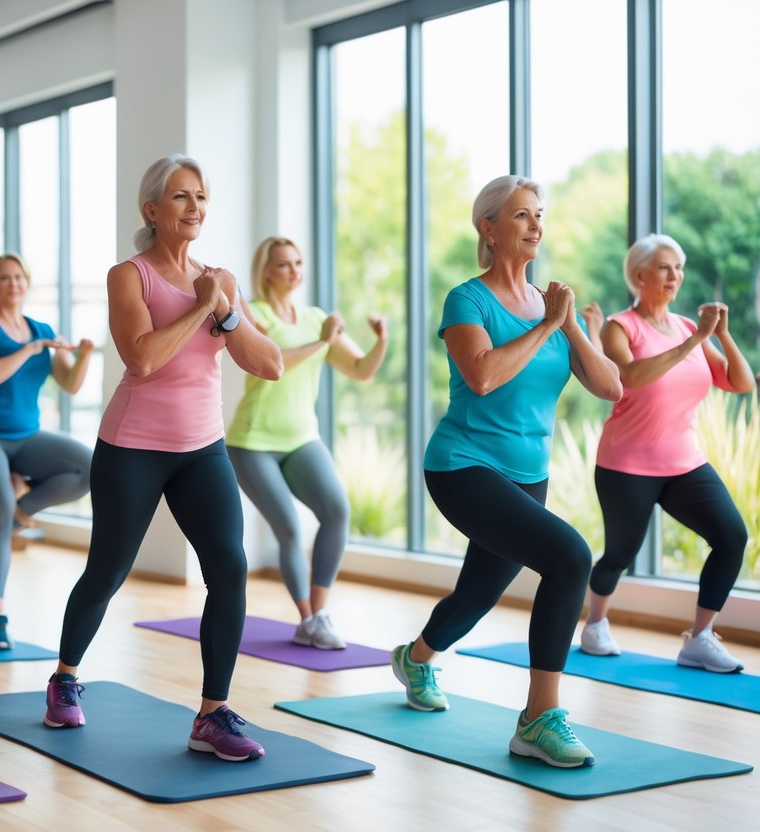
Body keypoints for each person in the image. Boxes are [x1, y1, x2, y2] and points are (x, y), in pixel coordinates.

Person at [43, 155, 283, 763]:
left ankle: (211, 713)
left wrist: (225, 309)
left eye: (201, 196)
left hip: (202, 449)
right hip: (133, 448)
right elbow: (142, 359)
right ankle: (66, 677)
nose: (195, 207)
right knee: (108, 571)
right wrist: (203, 309)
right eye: (181, 197)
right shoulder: (129, 276)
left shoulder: (221, 278)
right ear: (152, 210)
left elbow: (269, 364)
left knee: (228, 568)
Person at [391, 175, 622, 769]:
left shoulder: (553, 308)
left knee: (478, 593)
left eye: (539, 214)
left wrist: (567, 324)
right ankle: (537, 719)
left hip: (527, 475)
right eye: (521, 215)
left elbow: (611, 386)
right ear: (488, 228)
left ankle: (415, 659)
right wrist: (546, 326)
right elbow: (484, 376)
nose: (535, 225)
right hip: (463, 467)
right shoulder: (466, 301)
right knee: (571, 557)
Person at [580, 234, 754, 670]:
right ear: (639, 275)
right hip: (626, 464)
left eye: (679, 267)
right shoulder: (620, 327)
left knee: (731, 537)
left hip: (684, 463)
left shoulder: (686, 328)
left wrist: (722, 335)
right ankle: (595, 624)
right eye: (664, 267)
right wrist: (695, 343)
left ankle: (699, 638)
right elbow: (631, 377)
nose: (675, 275)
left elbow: (740, 382)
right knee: (621, 553)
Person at [226, 236, 387, 649]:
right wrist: (323, 342)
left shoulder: (315, 317)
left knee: (336, 511)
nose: (294, 270)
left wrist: (380, 341)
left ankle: (318, 616)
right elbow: (274, 363)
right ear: (265, 272)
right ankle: (307, 618)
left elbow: (360, 370)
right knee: (290, 528)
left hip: (301, 438)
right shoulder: (254, 313)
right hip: (252, 442)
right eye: (283, 264)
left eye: (298, 262)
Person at [0, 253, 94, 649]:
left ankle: (23, 512)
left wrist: (82, 356)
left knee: (88, 467)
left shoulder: (41, 329)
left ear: (27, 283)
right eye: (4, 278)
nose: (13, 283)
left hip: (26, 436)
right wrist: (30, 350)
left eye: (18, 277)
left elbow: (69, 384)